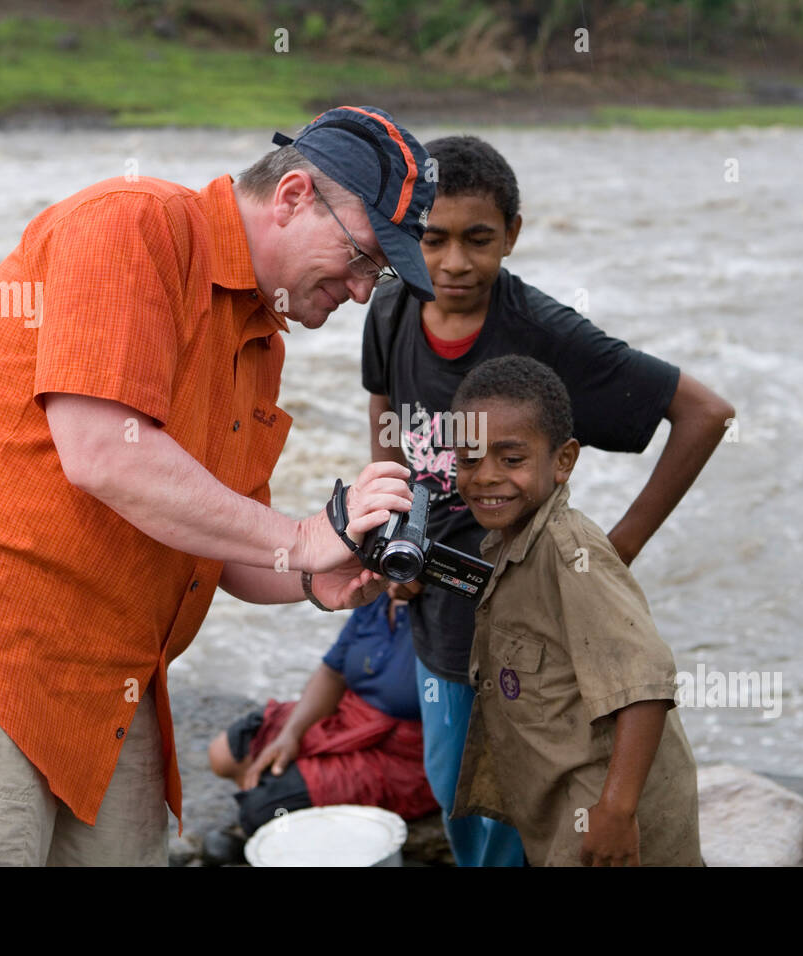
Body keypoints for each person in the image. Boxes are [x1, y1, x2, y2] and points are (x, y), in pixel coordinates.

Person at [0, 106, 436, 866]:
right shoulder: (134, 225)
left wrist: (310, 573)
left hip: (115, 680)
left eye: (381, 275)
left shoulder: (262, 341)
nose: (365, 292)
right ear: (294, 195)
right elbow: (104, 453)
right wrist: (301, 537)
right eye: (365, 257)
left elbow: (225, 547)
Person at [361, 135, 732, 866]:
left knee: (525, 802)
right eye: (432, 239)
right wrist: (391, 530)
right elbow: (384, 411)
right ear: (407, 236)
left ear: (513, 236)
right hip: (439, 616)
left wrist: (617, 549)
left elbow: (705, 414)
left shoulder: (543, 333)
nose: (455, 263)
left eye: (478, 240)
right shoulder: (391, 308)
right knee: (457, 788)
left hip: (530, 637)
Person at [448, 356, 703, 866]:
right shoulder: (508, 544)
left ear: (563, 461)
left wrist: (616, 812)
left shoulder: (571, 554)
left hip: (609, 821)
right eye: (469, 459)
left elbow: (647, 685)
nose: (486, 478)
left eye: (511, 459)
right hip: (565, 807)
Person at [208, 593, 437, 836]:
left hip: (403, 750)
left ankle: (270, 811)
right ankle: (269, 795)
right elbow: (332, 671)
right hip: (348, 713)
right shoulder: (379, 596)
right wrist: (291, 735)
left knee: (261, 811)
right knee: (223, 755)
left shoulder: (448, 617)